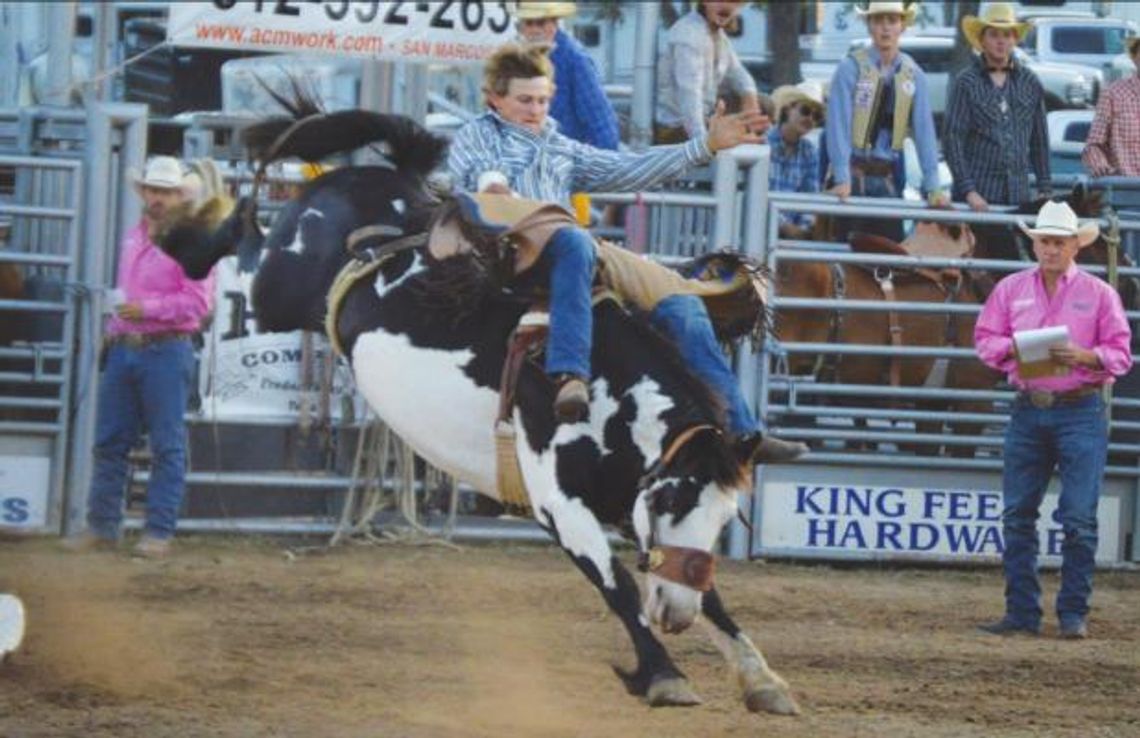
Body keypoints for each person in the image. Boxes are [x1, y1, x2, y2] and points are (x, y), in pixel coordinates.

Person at [447, 43, 805, 463]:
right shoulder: (478, 133)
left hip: (569, 247)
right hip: (511, 251)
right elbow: (476, 176)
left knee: (682, 304)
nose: (535, 109)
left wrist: (704, 146)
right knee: (577, 240)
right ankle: (569, 374)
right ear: (494, 97)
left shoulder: (560, 146)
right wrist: (494, 187)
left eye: (543, 100)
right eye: (524, 100)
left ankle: (741, 431)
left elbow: (626, 169)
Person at [974, 200, 1132, 639]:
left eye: (1058, 242)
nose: (1050, 249)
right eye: (1045, 241)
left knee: (1077, 517)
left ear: (1073, 247)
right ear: (1036, 244)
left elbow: (1120, 354)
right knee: (1019, 514)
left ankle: (1068, 613)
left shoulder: (1100, 295)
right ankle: (1031, 613)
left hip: (1077, 408)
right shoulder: (1011, 290)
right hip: (1034, 406)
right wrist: (1014, 349)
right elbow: (985, 341)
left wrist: (1087, 355)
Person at [68, 156, 217, 559]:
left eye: (165, 192)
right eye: (153, 190)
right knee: (111, 441)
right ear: (145, 193)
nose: (157, 198)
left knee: (165, 444)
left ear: (178, 197)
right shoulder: (136, 236)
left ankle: (156, 531)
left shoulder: (191, 241)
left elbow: (198, 303)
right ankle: (104, 527)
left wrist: (145, 309)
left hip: (166, 347)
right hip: (129, 347)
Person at [825, 0, 947, 243]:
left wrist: (933, 186)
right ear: (869, 25)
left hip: (888, 178)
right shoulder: (849, 68)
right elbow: (837, 124)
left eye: (892, 20)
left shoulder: (913, 74)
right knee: (842, 256)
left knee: (889, 258)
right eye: (878, 20)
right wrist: (841, 176)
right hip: (853, 173)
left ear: (902, 26)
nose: (885, 28)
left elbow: (924, 132)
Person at [944, 3, 1050, 218]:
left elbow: (1039, 140)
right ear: (982, 40)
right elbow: (952, 139)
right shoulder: (966, 82)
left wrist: (1044, 187)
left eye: (1007, 35)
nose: (1001, 41)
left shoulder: (1030, 82)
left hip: (1018, 196)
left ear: (1015, 39)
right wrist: (969, 190)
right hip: (977, 199)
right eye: (993, 35)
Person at [515, 1, 620, 151]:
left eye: (540, 23)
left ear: (554, 23)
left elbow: (602, 126)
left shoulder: (574, 59)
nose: (534, 30)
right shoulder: (521, 58)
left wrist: (596, 170)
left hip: (568, 162)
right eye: (528, 23)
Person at [654, 1, 759, 144]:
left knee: (764, 105)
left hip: (705, 120)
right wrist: (702, 143)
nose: (726, 7)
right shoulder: (689, 34)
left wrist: (750, 98)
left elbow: (737, 73)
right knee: (738, 136)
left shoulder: (718, 36)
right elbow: (690, 95)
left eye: (734, 2)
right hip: (677, 129)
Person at [768, 82, 825, 240]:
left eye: (816, 116)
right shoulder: (762, 144)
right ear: (787, 109)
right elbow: (756, 198)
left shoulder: (809, 151)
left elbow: (810, 196)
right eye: (805, 111)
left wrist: (802, 228)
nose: (810, 119)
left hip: (791, 238)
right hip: (757, 231)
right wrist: (787, 228)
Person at [1082, 35, 1140, 178]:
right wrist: (1101, 166)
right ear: (1134, 57)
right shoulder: (1113, 94)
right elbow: (1094, 145)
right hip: (1125, 192)